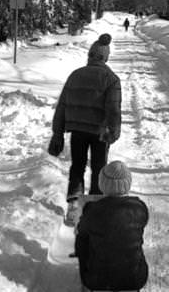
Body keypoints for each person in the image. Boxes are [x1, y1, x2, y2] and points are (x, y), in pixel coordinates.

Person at [50, 33, 121, 204]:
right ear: (105, 57)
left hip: (77, 131)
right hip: (100, 133)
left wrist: (57, 133)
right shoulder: (111, 79)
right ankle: (94, 208)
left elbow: (62, 106)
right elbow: (113, 109)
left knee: (78, 166)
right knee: (98, 169)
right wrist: (114, 132)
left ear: (90, 55)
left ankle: (74, 205)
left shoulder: (75, 75)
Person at [75, 161, 149, 292]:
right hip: (136, 279)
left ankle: (93, 268)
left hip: (96, 281)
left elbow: (81, 235)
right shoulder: (139, 208)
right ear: (127, 184)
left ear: (102, 184)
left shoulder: (92, 210)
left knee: (82, 239)